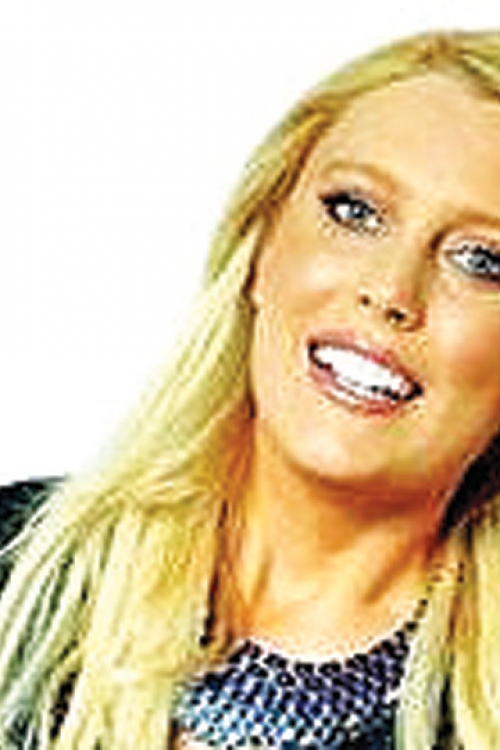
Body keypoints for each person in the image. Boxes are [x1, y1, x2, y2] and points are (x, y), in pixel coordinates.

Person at [3, 28, 500, 750]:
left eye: (481, 260)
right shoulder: (19, 569)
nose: (391, 292)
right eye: (356, 212)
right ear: (262, 246)